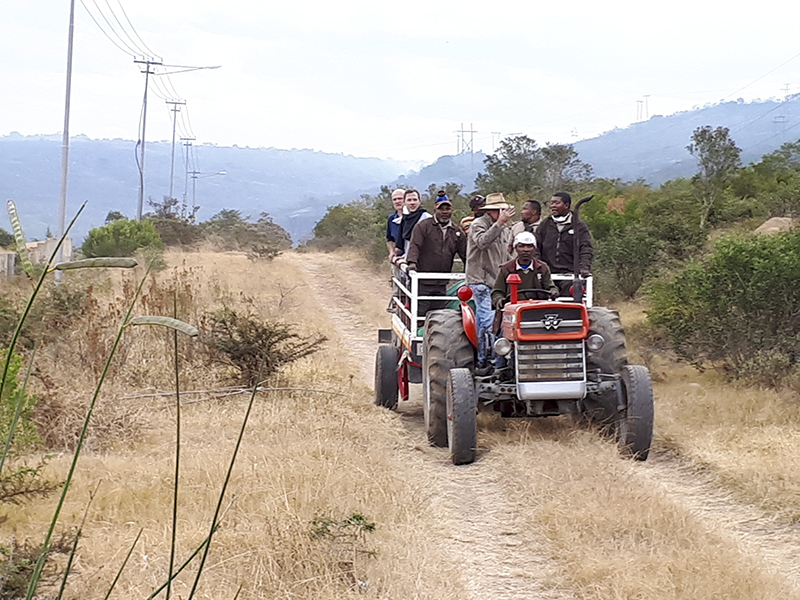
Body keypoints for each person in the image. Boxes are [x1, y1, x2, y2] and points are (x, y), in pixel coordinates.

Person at [466, 192, 514, 373]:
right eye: (498, 210)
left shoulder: (506, 229)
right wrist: (500, 223)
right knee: (487, 321)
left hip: (497, 282)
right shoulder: (478, 225)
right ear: (491, 211)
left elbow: (505, 255)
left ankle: (499, 358)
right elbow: (482, 243)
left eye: (502, 210)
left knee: (503, 320)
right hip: (481, 280)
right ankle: (483, 358)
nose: (502, 213)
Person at [405, 192, 467, 317]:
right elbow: (415, 246)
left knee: (439, 315)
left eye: (447, 209)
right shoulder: (423, 226)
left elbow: (465, 253)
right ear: (435, 210)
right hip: (422, 282)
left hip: (442, 283)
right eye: (441, 209)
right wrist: (412, 263)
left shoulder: (456, 231)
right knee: (420, 314)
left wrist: (469, 271)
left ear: (451, 210)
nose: (444, 212)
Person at [535, 191, 594, 297]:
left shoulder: (579, 225)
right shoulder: (545, 224)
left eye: (556, 203)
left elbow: (586, 248)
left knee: (569, 295)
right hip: (547, 273)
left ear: (566, 205)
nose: (553, 206)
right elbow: (536, 246)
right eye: (552, 203)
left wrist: (584, 267)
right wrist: (539, 266)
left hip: (569, 273)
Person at [492, 231, 558, 310]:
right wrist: (499, 300)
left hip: (538, 308)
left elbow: (550, 287)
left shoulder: (542, 268)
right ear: (515, 248)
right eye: (521, 246)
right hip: (513, 309)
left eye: (529, 246)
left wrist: (553, 292)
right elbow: (497, 292)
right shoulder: (506, 269)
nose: (525, 250)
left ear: (534, 248)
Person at [394, 189, 431, 258]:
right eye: (409, 200)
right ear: (404, 202)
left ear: (419, 201)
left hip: (425, 260)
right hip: (409, 259)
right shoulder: (405, 219)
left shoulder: (427, 218)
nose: (412, 203)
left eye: (414, 200)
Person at [385, 188, 406, 261]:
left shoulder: (414, 217)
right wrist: (392, 251)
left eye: (400, 198)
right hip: (398, 259)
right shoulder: (391, 219)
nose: (397, 201)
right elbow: (389, 238)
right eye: (394, 199)